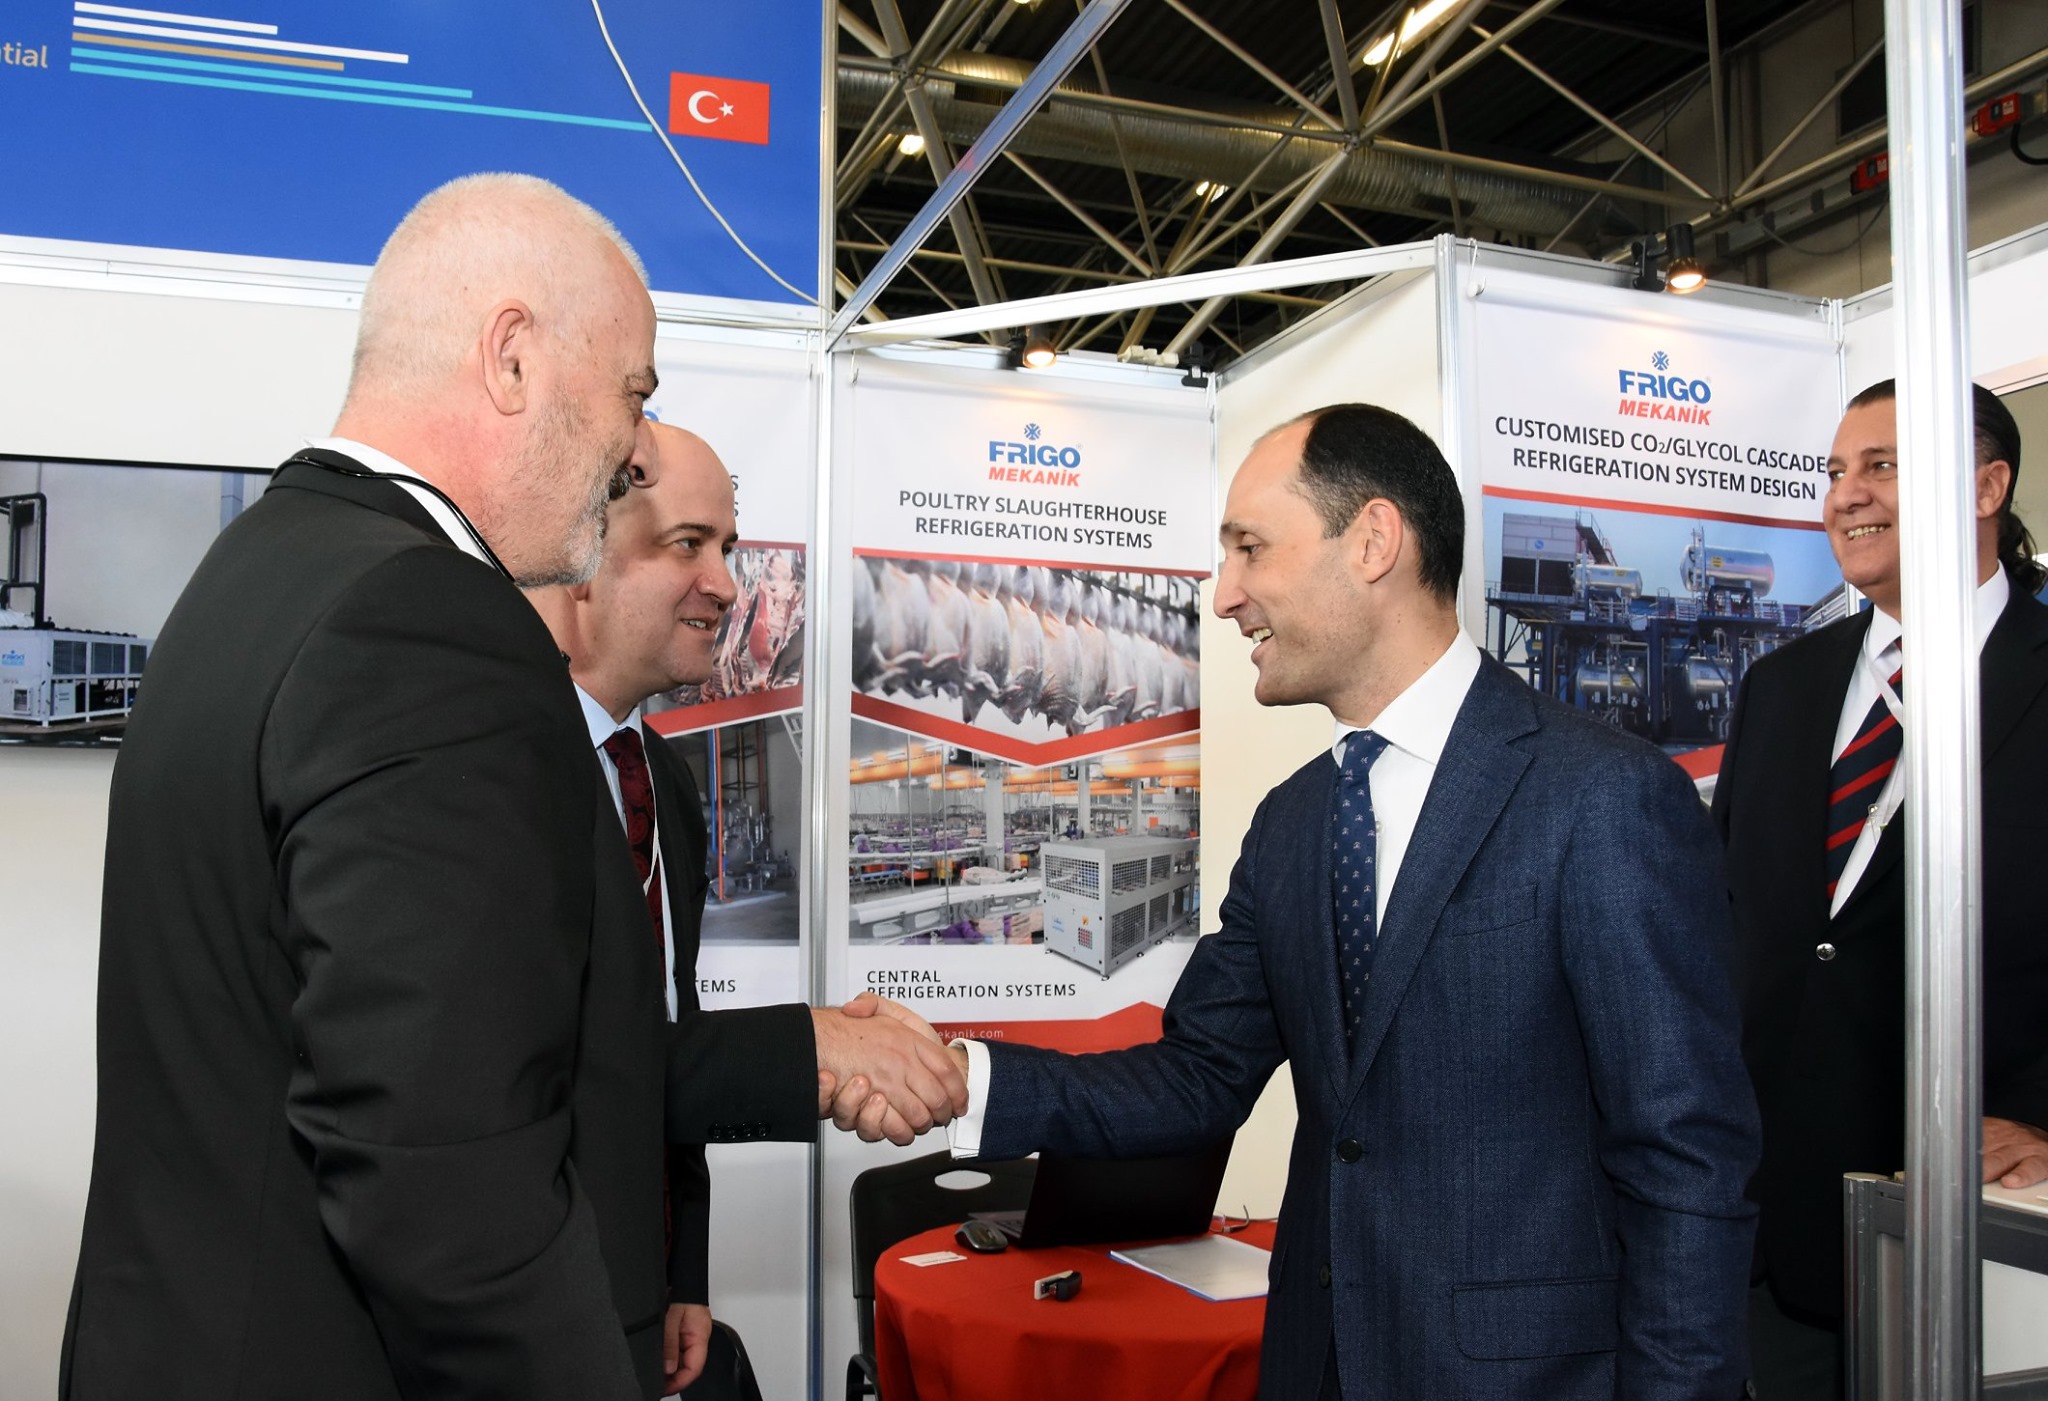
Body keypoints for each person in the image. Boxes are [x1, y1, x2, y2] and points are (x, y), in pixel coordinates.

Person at [61, 174, 963, 1401]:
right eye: (633, 392)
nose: (633, 449)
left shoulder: (264, 566)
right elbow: (442, 1175)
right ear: (512, 357)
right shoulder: (429, 620)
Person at [909, 403, 1761, 1400]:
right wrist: (959, 1078)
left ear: (1371, 542)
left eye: (1249, 548)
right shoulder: (1293, 821)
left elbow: (1684, 1158)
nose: (1224, 595)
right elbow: (1197, 1076)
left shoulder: (1601, 797)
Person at [529, 420, 933, 1396]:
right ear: (581, 560)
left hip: (637, 1289)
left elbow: (669, 1030)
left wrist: (681, 1274)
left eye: (728, 549)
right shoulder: (498, 771)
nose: (723, 583)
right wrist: (819, 1046)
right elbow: (548, 1064)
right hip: (522, 1298)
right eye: (687, 545)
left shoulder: (662, 781)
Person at [1715, 380, 2048, 1398]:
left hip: (1981, 1243)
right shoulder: (1779, 688)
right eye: (1834, 471)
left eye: (1883, 465)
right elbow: (1728, 930)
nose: (1845, 494)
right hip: (1772, 1243)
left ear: (1986, 486)